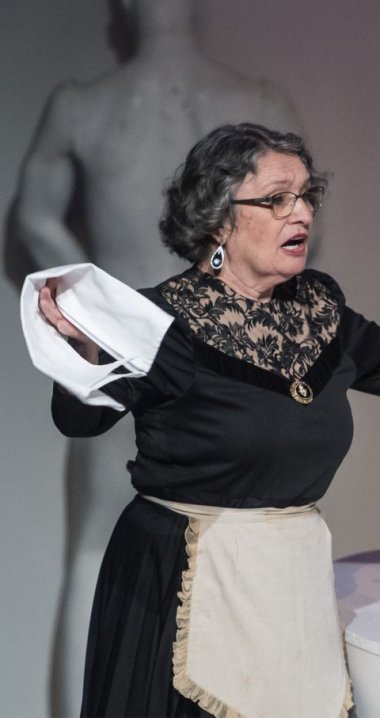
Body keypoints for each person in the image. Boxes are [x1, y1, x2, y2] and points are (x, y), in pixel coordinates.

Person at [32, 122, 380, 717]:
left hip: (289, 580)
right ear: (219, 220)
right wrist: (85, 351)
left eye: (308, 195)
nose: (302, 212)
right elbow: (79, 421)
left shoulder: (318, 311)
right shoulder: (159, 320)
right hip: (178, 581)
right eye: (277, 199)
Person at [7, 3, 301, 713]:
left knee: (96, 551)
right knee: (241, 552)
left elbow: (33, 219)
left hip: (133, 346)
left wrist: (100, 299)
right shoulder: (258, 103)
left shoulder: (84, 105)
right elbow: (296, 234)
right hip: (224, 353)